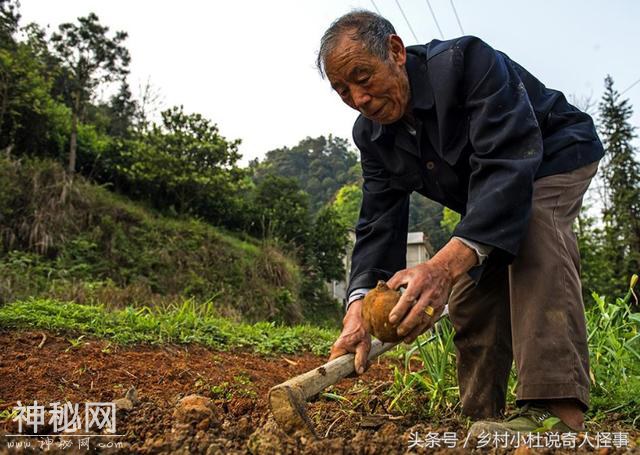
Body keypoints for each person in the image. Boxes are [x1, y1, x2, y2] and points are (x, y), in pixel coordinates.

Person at [317, 10, 604, 434]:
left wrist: (440, 266)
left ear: (395, 51)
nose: (358, 98)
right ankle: (480, 417)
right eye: (343, 90)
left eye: (363, 77)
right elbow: (378, 222)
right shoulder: (373, 135)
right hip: (491, 194)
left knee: (534, 228)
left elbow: (509, 164)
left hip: (551, 153)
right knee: (469, 294)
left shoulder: (467, 63)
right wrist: (358, 308)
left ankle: (555, 411)